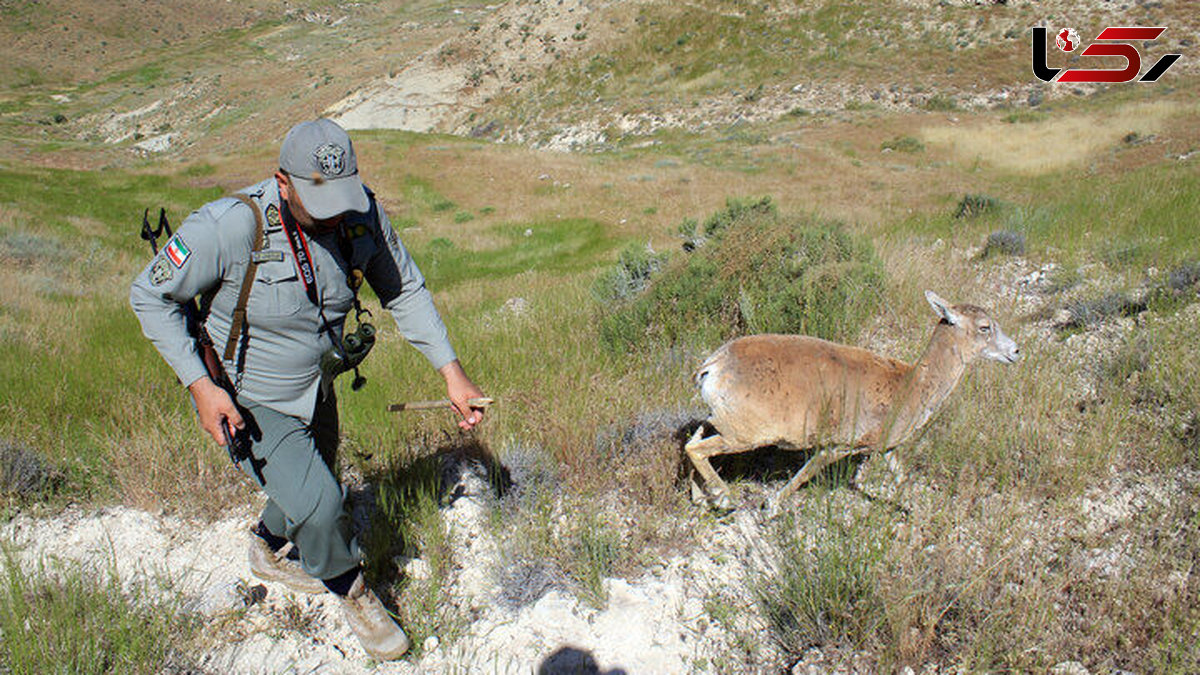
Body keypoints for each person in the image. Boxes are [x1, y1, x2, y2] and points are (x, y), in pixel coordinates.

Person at [130, 118, 485, 660]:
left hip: (317, 384)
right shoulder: (230, 225)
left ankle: (266, 549)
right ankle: (353, 591)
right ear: (284, 182)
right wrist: (202, 387)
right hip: (250, 395)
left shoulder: (361, 215)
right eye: (321, 202)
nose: (336, 214)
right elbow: (149, 296)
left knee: (316, 477)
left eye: (341, 198)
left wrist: (451, 372)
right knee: (322, 505)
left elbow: (404, 288)